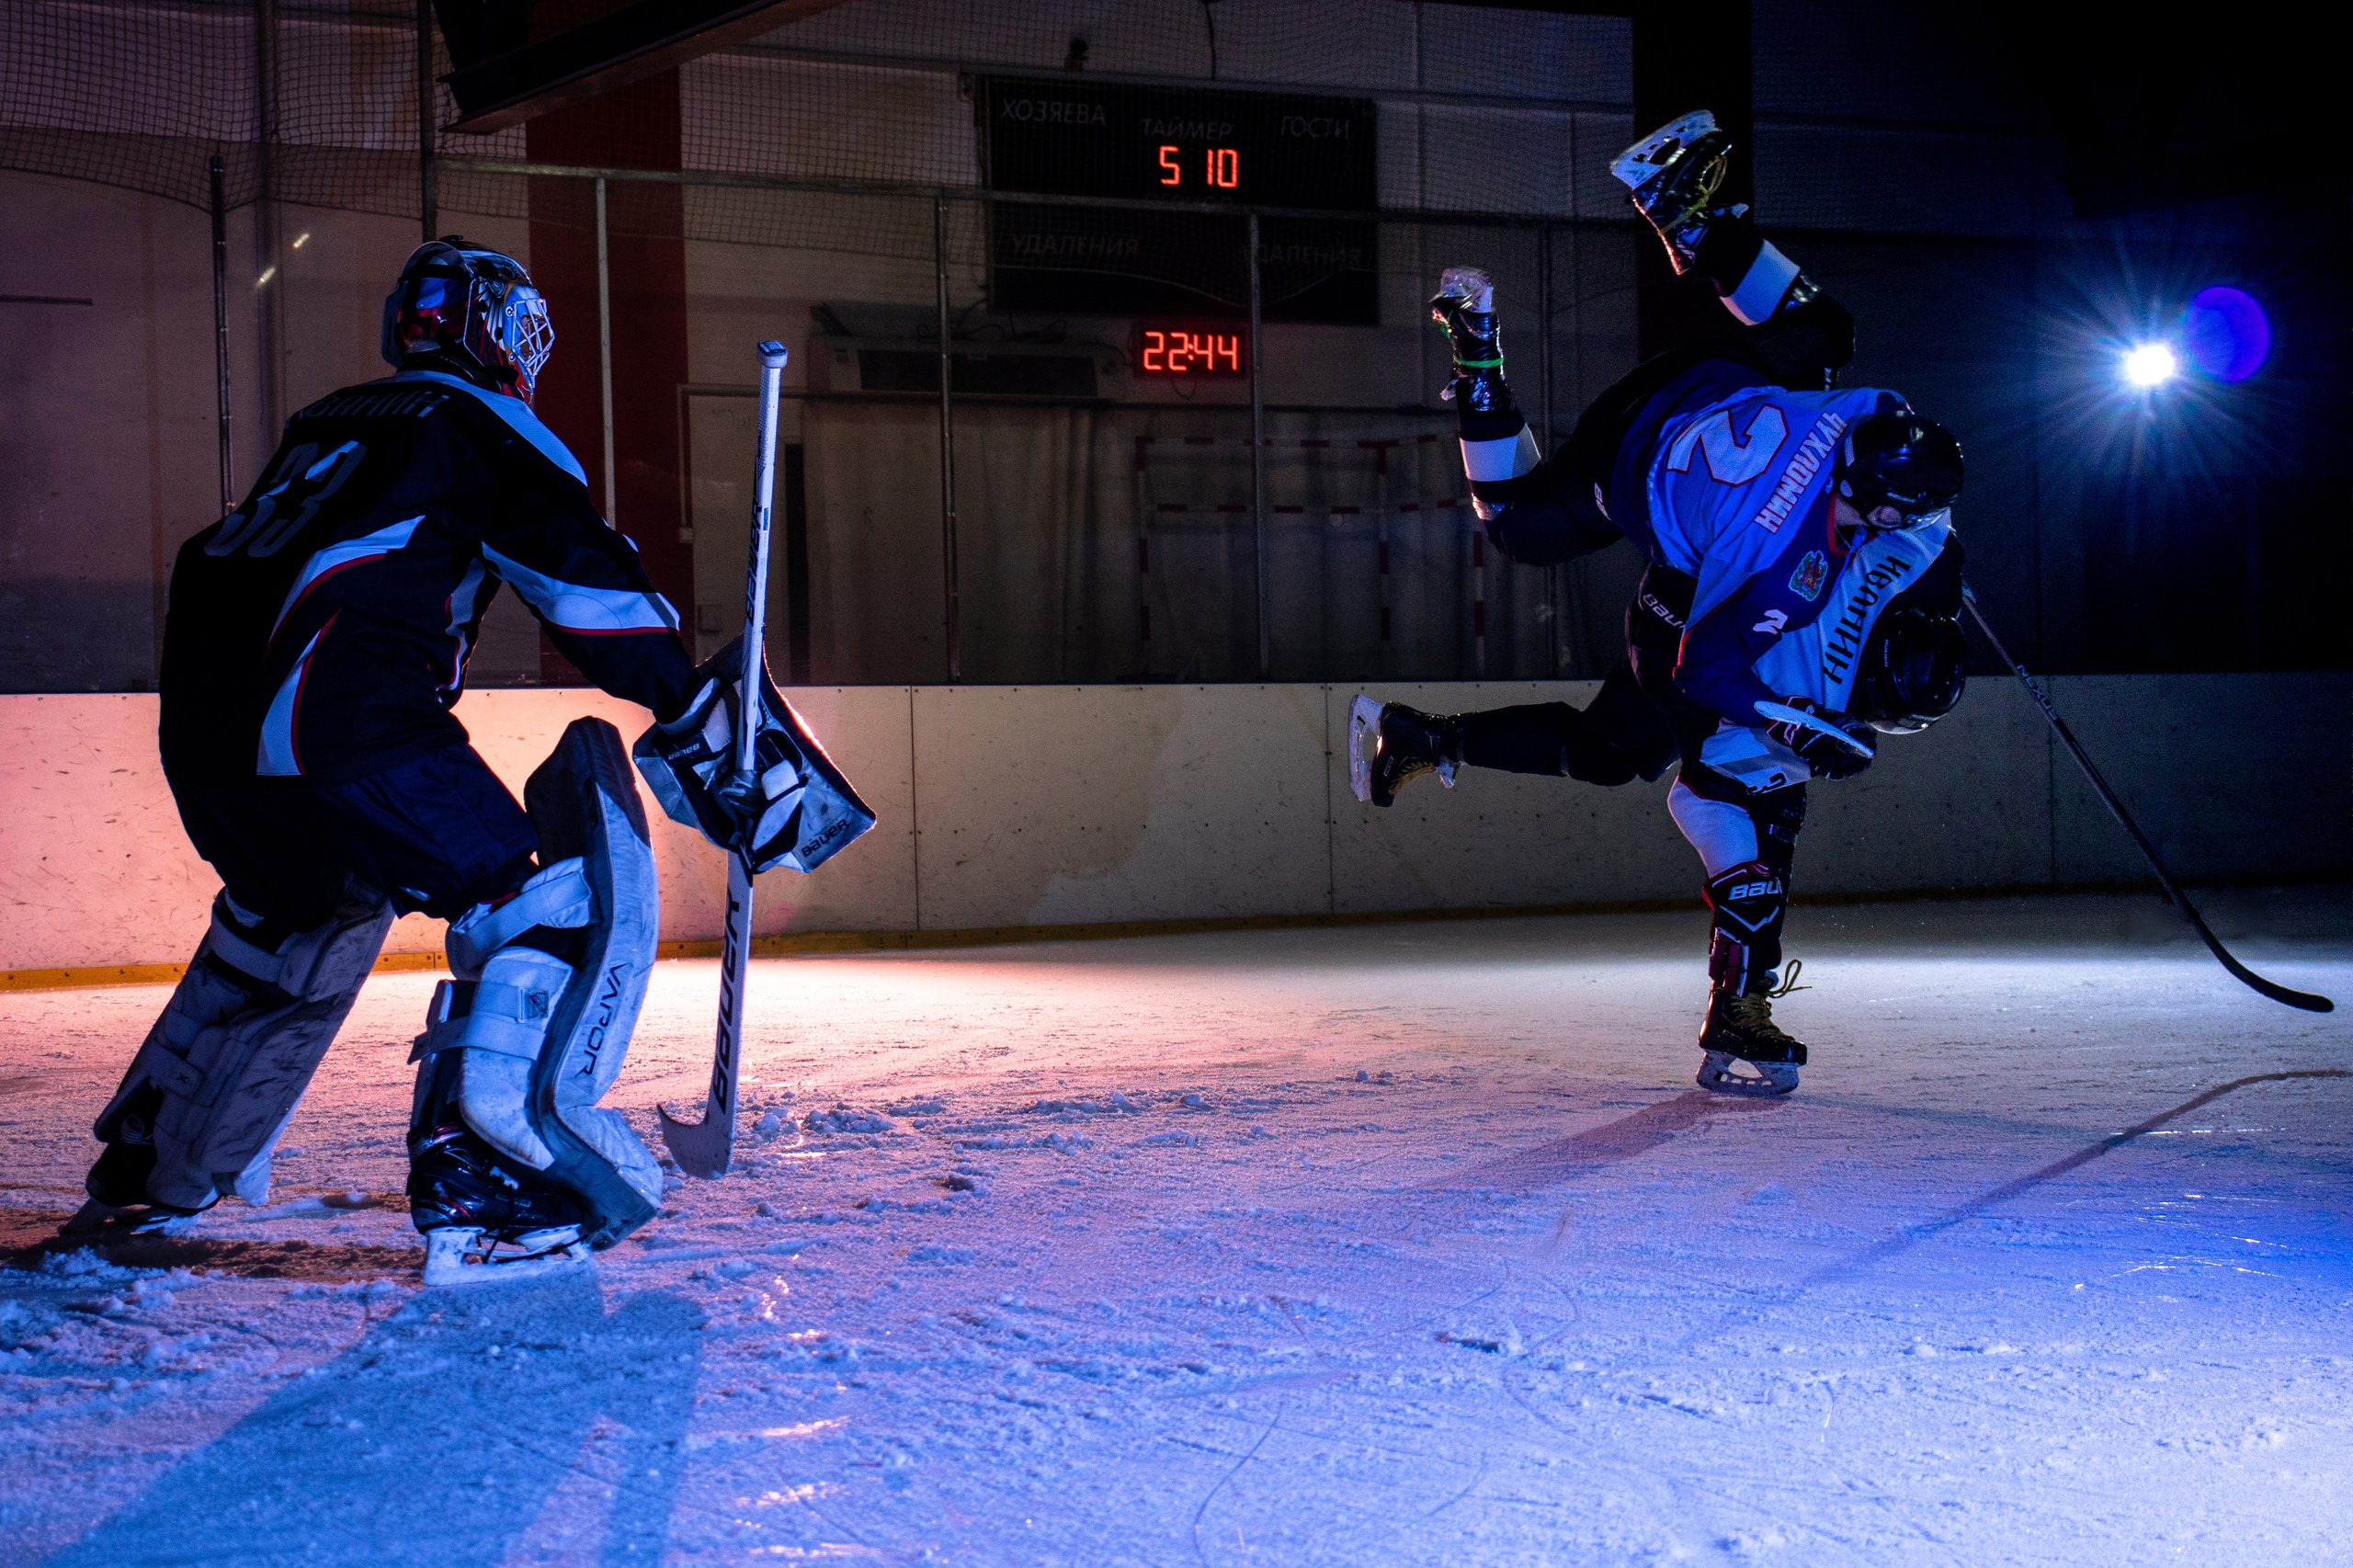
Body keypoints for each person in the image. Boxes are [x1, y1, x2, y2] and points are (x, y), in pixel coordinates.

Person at [79, 237, 870, 1281]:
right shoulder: (483, 422)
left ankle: (155, 1158)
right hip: (348, 719)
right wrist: (694, 713)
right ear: (497, 331)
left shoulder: (330, 425)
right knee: (549, 907)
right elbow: (586, 593)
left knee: (292, 916)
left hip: (212, 744)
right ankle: (491, 1181)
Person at [1348, 112, 1968, 1096]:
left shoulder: (1881, 428)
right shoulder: (1776, 570)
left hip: (1718, 388)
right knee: (1522, 536)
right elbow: (1708, 668)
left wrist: (1925, 607)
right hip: (1631, 459)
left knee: (1824, 335)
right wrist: (1802, 730)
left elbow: (1923, 528)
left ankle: (1695, 214)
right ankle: (1475, 358)